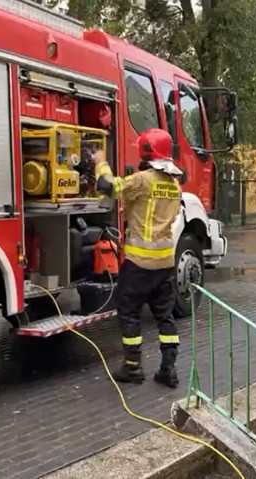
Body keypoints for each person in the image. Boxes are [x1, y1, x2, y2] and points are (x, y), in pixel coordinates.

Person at [94, 128, 183, 388]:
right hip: (165, 263)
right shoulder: (174, 184)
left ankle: (132, 367)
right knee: (164, 315)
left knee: (129, 311)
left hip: (139, 263)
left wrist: (100, 161)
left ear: (146, 152)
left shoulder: (142, 179)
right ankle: (169, 369)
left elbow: (107, 186)